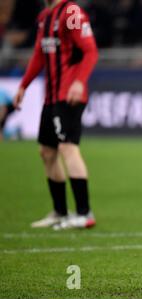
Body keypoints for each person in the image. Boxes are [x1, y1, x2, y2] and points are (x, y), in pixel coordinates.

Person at [13, 0, 98, 230]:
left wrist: (79, 82)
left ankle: (84, 213)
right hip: (51, 97)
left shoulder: (71, 12)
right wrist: (23, 85)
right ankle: (60, 212)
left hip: (69, 94)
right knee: (47, 151)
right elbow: (39, 55)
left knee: (67, 147)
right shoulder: (44, 17)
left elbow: (90, 51)